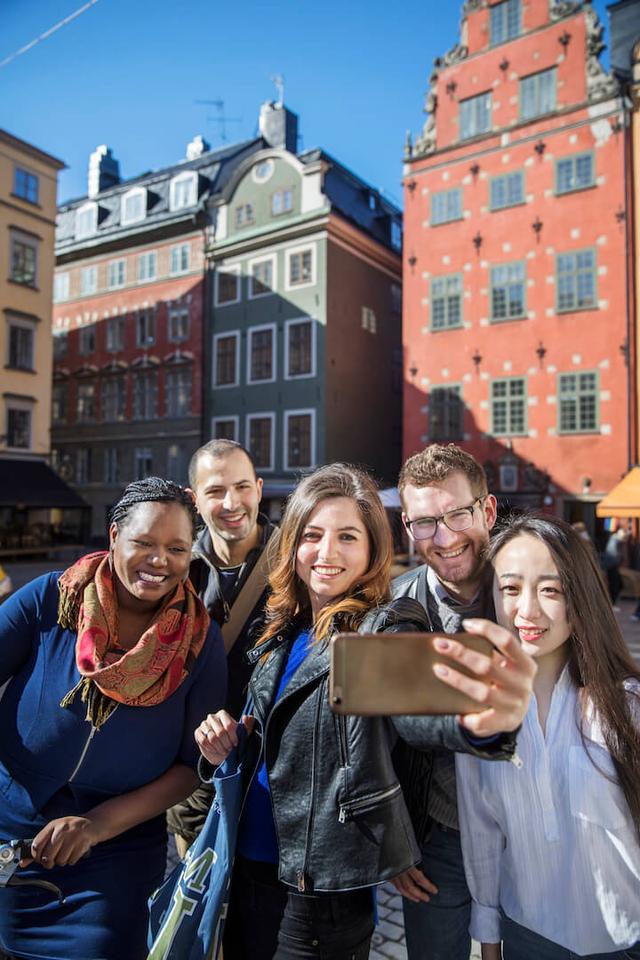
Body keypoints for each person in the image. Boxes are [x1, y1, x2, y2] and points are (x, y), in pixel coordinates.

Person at [196, 462, 535, 960]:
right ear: (292, 543)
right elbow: (276, 745)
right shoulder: (283, 627)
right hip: (246, 868)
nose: (326, 552)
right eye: (312, 535)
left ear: (373, 549)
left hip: (318, 898)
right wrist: (226, 745)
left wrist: (479, 726)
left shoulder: (383, 627)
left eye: (348, 537)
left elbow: (417, 708)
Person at [0, 478, 227, 960]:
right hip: (10, 833)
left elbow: (190, 767)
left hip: (115, 854)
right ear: (114, 536)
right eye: (143, 542)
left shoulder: (200, 642)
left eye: (176, 548)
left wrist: (96, 825)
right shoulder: (50, 599)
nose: (159, 560)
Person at [456, 514, 640, 959]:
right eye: (511, 588)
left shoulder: (626, 706)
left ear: (580, 597)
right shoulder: (478, 714)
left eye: (551, 590)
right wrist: (489, 940)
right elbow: (481, 833)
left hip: (623, 937)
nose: (528, 610)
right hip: (527, 935)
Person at [390, 443, 502, 960]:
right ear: (407, 527)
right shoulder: (393, 607)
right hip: (439, 835)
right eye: (425, 523)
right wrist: (396, 837)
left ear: (488, 510)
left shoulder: (533, 591)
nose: (446, 537)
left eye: (458, 514)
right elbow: (373, 736)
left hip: (530, 831)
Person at [168, 439, 276, 857]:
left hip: (269, 778)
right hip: (194, 782)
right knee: (197, 891)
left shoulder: (295, 564)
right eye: (215, 491)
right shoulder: (175, 567)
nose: (232, 503)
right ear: (195, 500)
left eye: (242, 487)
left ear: (259, 489)